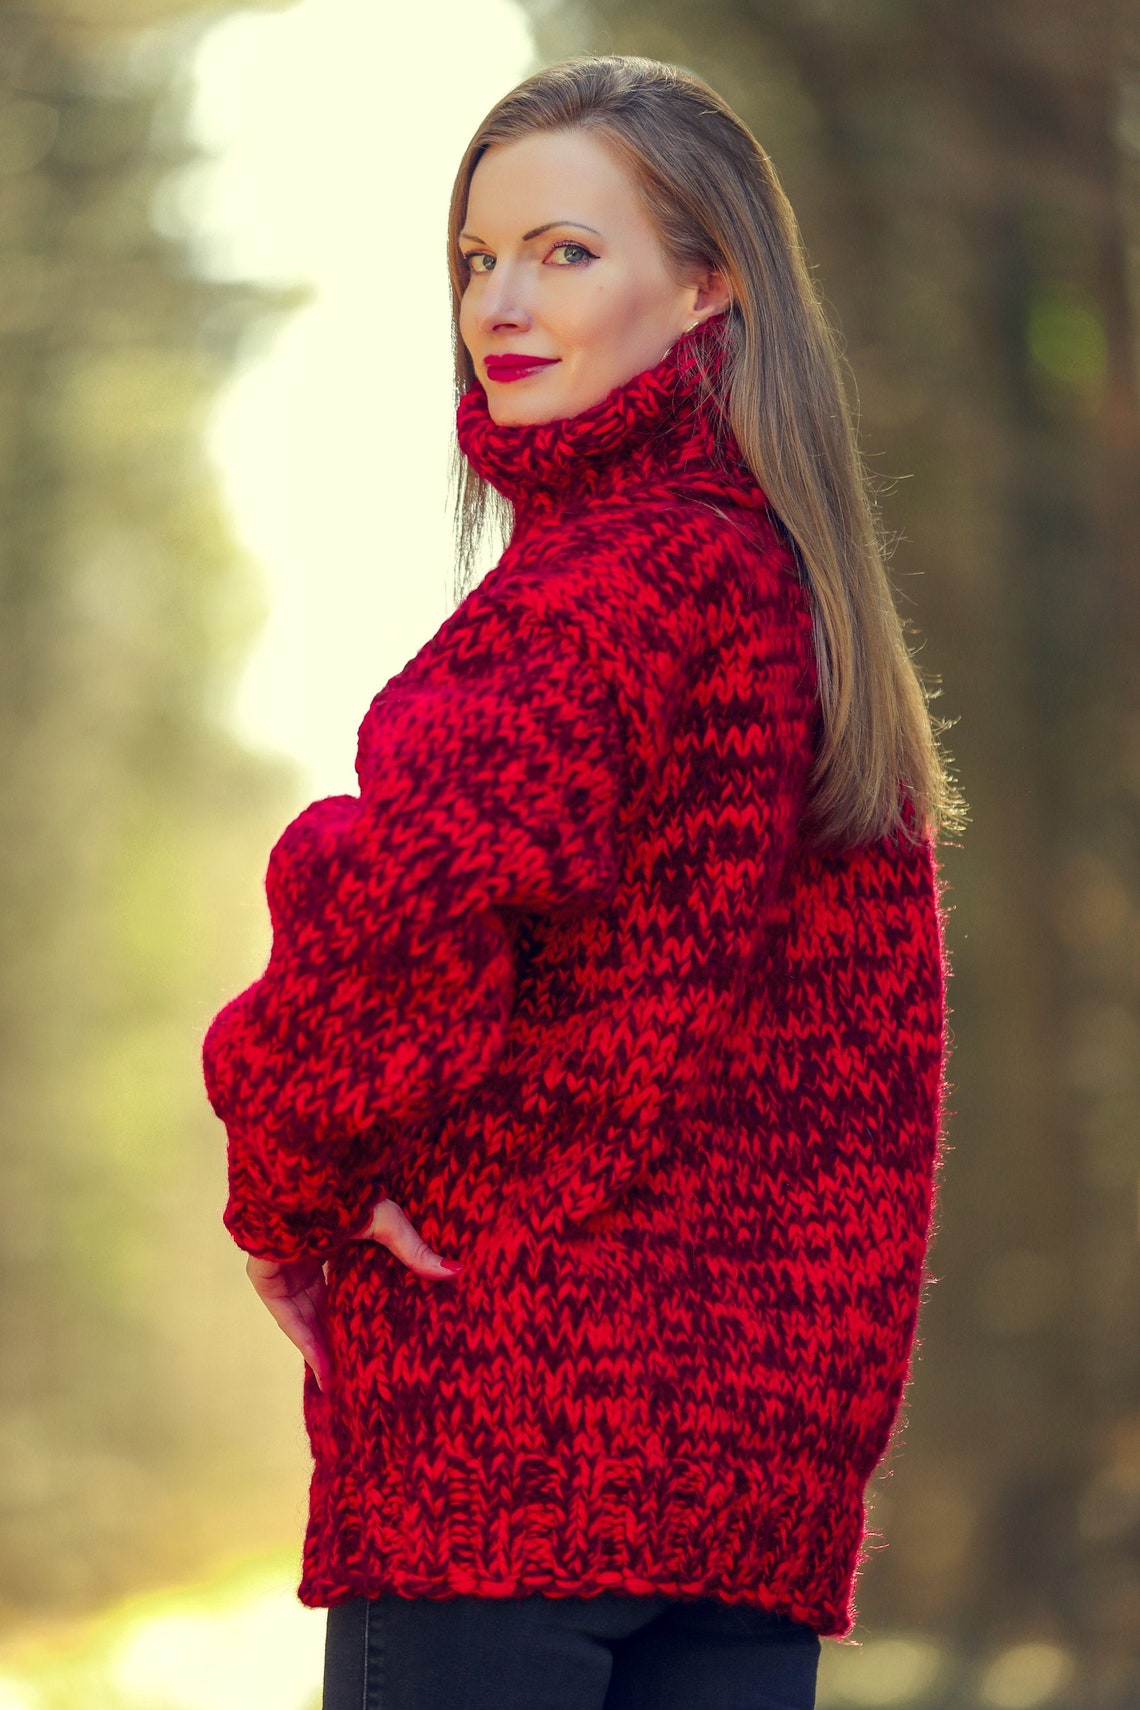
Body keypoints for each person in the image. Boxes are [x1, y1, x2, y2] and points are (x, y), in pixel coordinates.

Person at [201, 52, 959, 1710]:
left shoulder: (602, 587)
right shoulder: (806, 612)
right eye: (476, 260)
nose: (500, 302)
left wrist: (291, 1197)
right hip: (749, 1479)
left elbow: (396, 914)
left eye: (565, 251)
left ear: (708, 283)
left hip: (504, 1445)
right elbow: (867, 1092)